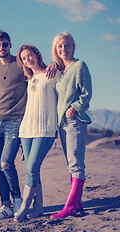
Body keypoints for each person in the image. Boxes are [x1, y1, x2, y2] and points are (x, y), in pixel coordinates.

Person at [14, 45, 60, 222]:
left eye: (29, 56)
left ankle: (24, 208)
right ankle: (38, 207)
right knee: (31, 169)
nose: (28, 60)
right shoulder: (30, 79)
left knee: (32, 167)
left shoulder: (53, 74)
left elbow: (63, 67)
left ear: (37, 54)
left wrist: (55, 64)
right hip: (26, 129)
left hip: (45, 128)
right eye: (24, 58)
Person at [50, 32, 92, 219]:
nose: (63, 49)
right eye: (60, 46)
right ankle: (78, 202)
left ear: (73, 47)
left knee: (76, 164)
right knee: (71, 163)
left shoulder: (79, 66)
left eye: (67, 45)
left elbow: (86, 93)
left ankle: (71, 206)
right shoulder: (61, 70)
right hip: (62, 123)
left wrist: (74, 108)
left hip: (74, 121)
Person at [0, 30, 26, 221]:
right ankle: (6, 206)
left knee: (6, 163)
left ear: (10, 44)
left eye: (5, 44)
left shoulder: (20, 64)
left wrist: (52, 64)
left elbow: (39, 69)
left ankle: (18, 199)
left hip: (15, 120)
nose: (2, 48)